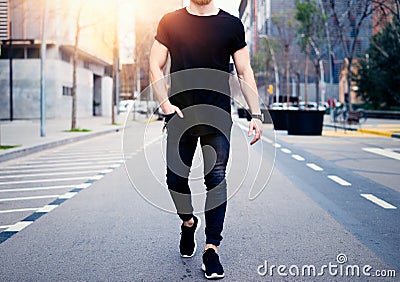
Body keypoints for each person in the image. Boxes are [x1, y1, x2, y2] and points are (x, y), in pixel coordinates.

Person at [149, 0, 263, 279]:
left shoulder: (231, 24)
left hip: (217, 116)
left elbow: (244, 71)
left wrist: (257, 114)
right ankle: (188, 223)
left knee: (216, 178)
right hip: (180, 115)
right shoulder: (170, 21)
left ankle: (211, 248)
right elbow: (155, 64)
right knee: (175, 180)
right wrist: (164, 104)